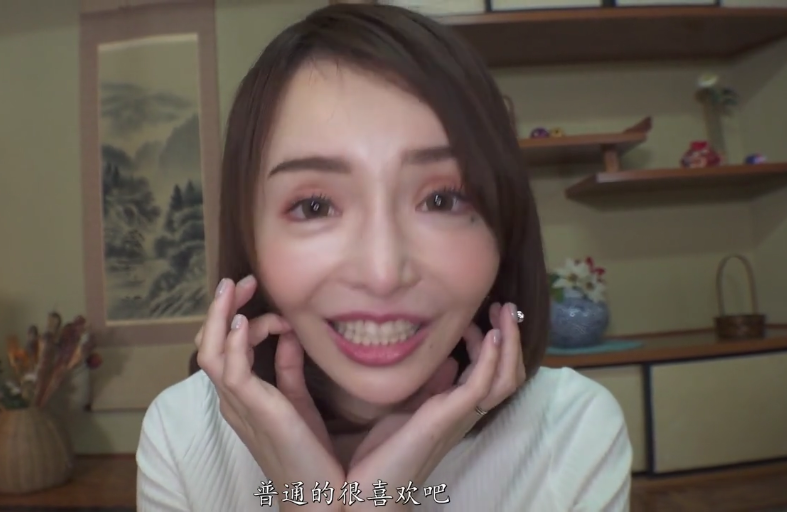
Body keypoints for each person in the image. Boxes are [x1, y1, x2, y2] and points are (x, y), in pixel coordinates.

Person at [136, 3, 631, 511]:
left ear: (504, 227)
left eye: (442, 200)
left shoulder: (568, 432)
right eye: (315, 206)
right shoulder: (184, 436)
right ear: (250, 238)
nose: (382, 273)